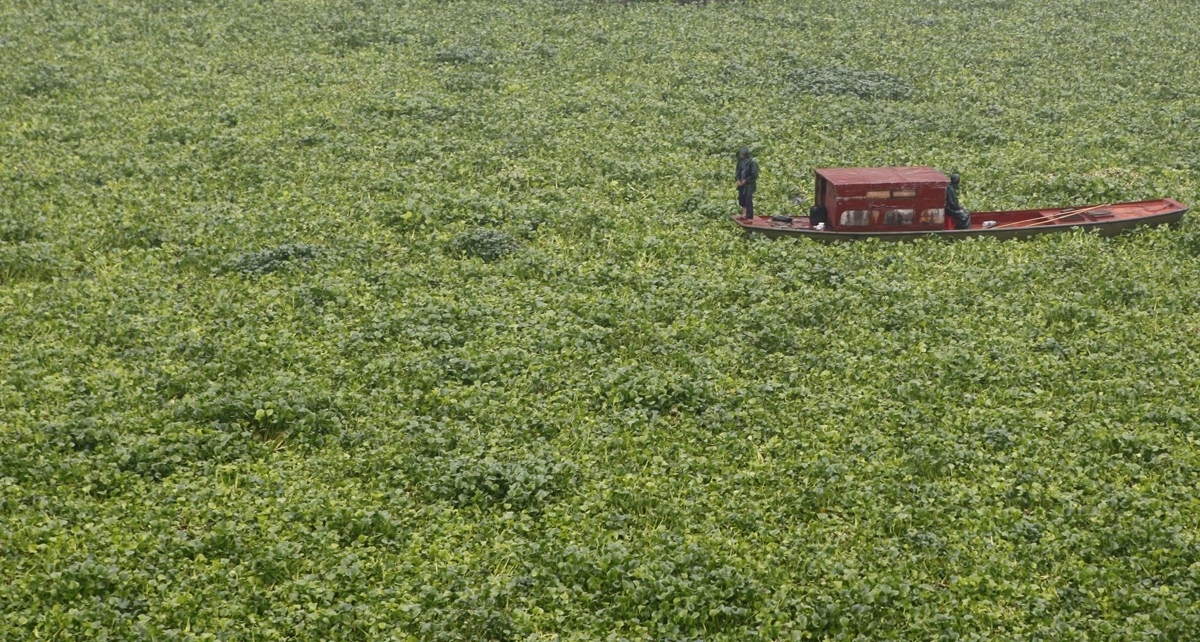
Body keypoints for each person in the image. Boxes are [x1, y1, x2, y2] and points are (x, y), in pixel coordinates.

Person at [735, 147, 759, 220]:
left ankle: (749, 216)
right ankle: (744, 213)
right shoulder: (740, 162)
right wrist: (738, 180)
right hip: (741, 183)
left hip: (749, 184)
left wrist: (745, 180)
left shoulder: (752, 163)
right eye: (740, 154)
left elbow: (754, 175)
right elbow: (737, 173)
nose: (741, 156)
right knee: (741, 198)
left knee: (748, 199)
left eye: (742, 155)